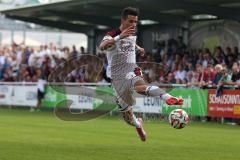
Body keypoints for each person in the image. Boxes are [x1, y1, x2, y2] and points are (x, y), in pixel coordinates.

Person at [99, 7, 183, 142]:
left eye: (135, 22)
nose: (133, 24)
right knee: (128, 118)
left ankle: (168, 97)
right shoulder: (112, 34)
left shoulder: (131, 34)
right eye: (131, 21)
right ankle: (138, 125)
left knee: (141, 87)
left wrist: (138, 48)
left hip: (131, 69)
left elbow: (129, 42)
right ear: (123, 20)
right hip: (117, 76)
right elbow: (102, 46)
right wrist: (120, 36)